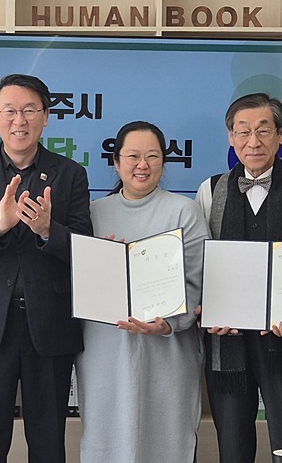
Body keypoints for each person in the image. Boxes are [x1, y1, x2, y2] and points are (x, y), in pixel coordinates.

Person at [0, 73, 92, 462]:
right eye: (9, 111)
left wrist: (48, 231)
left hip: (50, 323)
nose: (19, 120)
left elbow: (85, 250)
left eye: (29, 110)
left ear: (46, 116)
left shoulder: (70, 174)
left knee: (48, 442)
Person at [195, 92, 282, 462]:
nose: (253, 141)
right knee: (233, 447)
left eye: (263, 130)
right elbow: (200, 264)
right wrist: (210, 310)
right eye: (243, 131)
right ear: (231, 137)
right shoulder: (210, 190)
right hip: (227, 342)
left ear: (280, 134)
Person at [74, 121, 209, 463]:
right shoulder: (92, 213)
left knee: (165, 438)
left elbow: (199, 281)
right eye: (132, 156)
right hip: (105, 349)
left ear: (164, 161)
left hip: (167, 351)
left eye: (152, 156)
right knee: (106, 437)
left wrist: (169, 324)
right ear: (116, 162)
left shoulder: (184, 210)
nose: (142, 165)